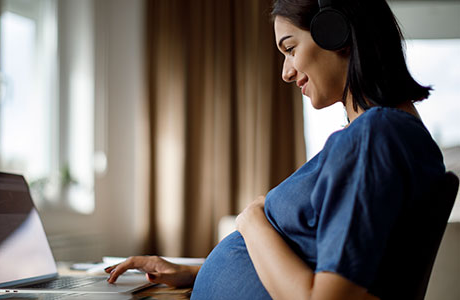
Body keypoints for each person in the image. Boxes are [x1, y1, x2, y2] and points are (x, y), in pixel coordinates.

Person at [105, 0, 445, 299]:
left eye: (291, 48)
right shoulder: (388, 138)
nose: (285, 72)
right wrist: (193, 271)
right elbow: (314, 263)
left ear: (336, 32)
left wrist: (252, 220)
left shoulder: (374, 137)